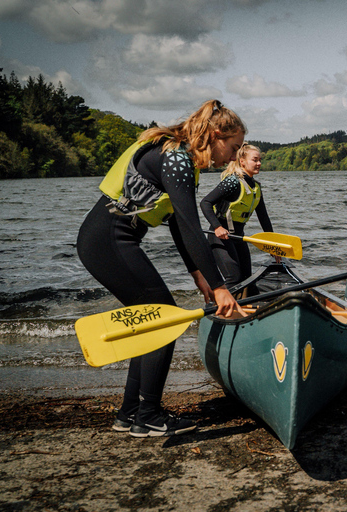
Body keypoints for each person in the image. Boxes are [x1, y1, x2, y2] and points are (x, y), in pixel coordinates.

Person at [77, 99, 246, 437]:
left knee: (150, 318)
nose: (235, 156)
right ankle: (149, 415)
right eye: (234, 147)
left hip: (107, 242)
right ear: (215, 135)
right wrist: (219, 286)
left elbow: (175, 224)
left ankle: (130, 413)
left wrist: (201, 277)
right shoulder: (177, 159)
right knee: (161, 318)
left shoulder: (181, 158)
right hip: (108, 241)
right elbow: (187, 224)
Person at [200, 143, 280, 292]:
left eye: (260, 160)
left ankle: (247, 309)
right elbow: (205, 202)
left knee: (247, 280)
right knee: (233, 278)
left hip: (238, 237)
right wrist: (217, 227)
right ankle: (217, 309)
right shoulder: (232, 182)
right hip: (220, 237)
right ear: (242, 161)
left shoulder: (256, 187)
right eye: (255, 160)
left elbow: (264, 218)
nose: (259, 163)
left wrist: (273, 246)